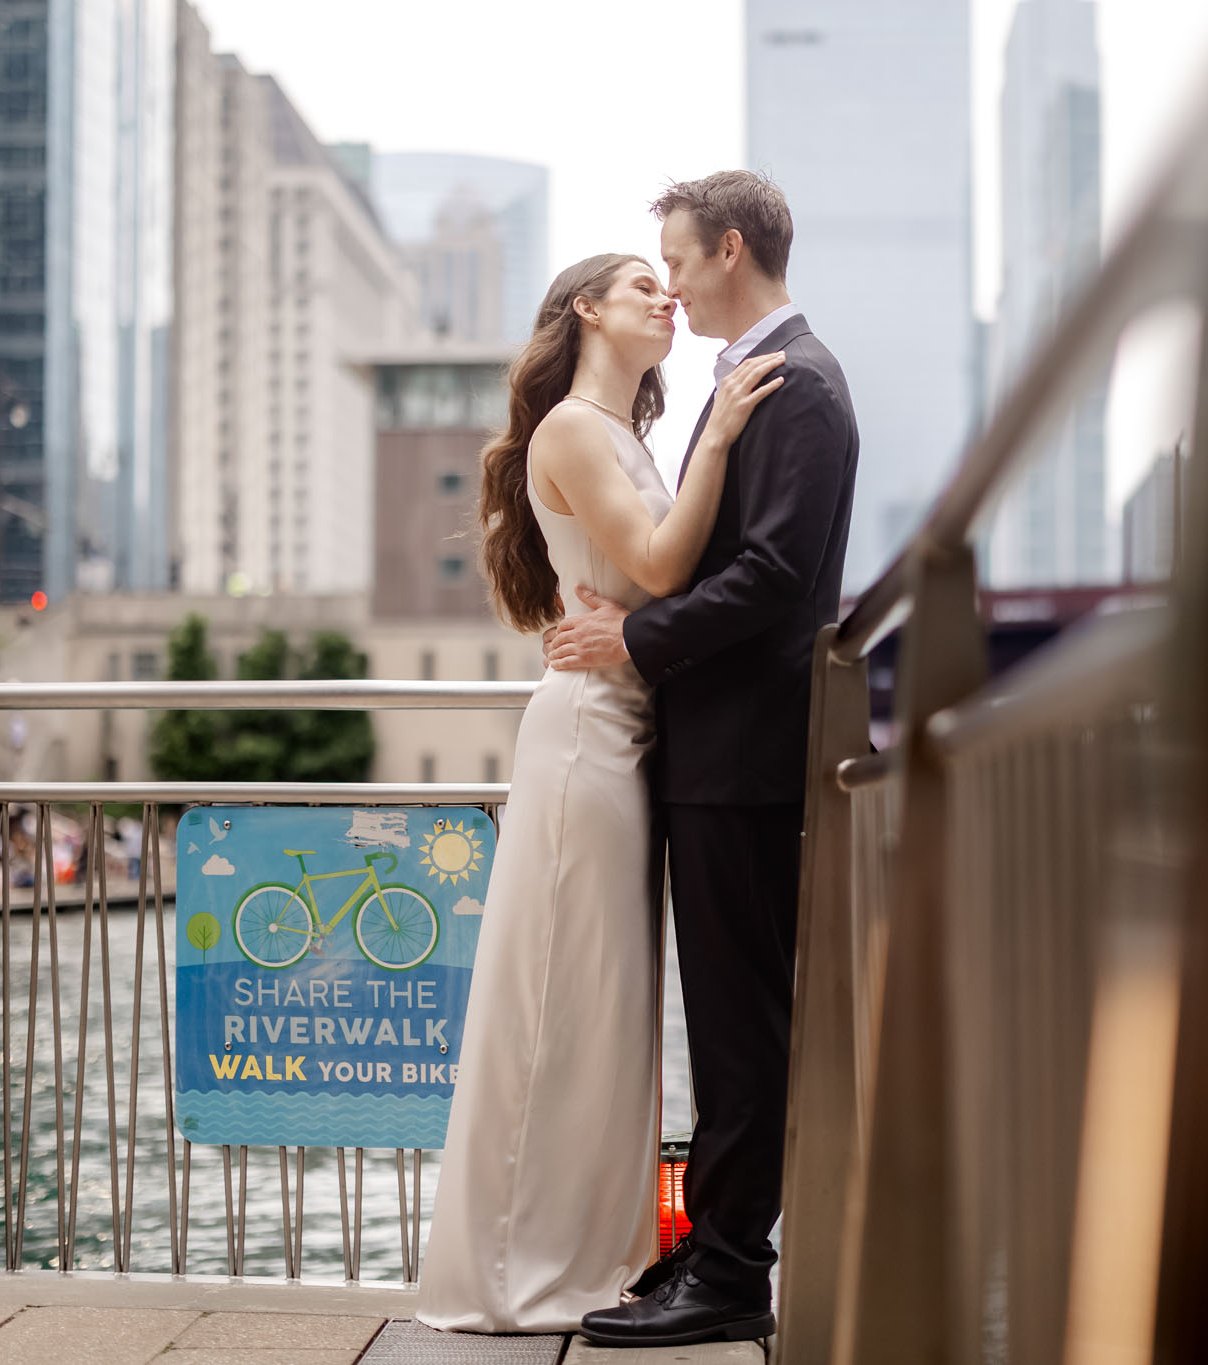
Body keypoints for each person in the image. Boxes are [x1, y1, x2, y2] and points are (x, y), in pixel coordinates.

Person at [415, 251, 786, 1334]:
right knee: (554, 1006)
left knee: (603, 1012)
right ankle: (514, 1269)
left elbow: (657, 580)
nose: (664, 297)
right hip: (585, 746)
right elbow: (663, 571)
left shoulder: (619, 435)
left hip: (625, 743)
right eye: (639, 284)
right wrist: (717, 438)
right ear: (585, 309)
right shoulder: (576, 427)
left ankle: (580, 1254)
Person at [545, 171, 860, 1349]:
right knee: (727, 1023)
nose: (669, 284)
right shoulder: (753, 383)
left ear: (730, 249)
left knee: (739, 1028)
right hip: (713, 753)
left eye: (676, 260)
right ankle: (714, 1255)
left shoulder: (802, 387)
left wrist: (631, 635)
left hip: (743, 757)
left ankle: (728, 1272)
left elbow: (776, 579)